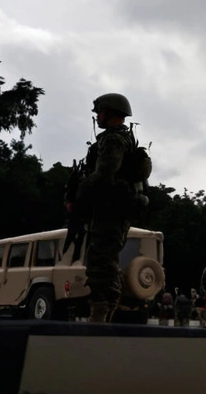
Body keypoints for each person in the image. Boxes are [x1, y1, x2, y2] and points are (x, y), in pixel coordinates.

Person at [71, 93, 141, 323]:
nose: (97, 117)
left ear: (111, 113)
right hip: (114, 208)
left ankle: (100, 314)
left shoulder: (113, 140)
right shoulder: (122, 138)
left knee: (101, 261)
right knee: (106, 259)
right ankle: (106, 312)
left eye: (100, 112)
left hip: (110, 209)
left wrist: (80, 194)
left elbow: (104, 174)